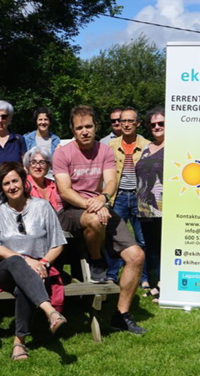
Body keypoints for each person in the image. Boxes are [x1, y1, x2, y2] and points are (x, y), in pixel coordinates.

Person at [53, 105, 146, 335]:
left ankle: (121, 315)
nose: (84, 131)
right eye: (79, 128)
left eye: (88, 126)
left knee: (136, 255)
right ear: (72, 130)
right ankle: (97, 261)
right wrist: (92, 205)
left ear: (96, 127)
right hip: (71, 211)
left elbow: (111, 181)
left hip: (101, 207)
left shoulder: (105, 151)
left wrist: (103, 198)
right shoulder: (62, 153)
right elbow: (64, 191)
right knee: (94, 221)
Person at [0, 162, 68, 360]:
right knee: (16, 263)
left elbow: (58, 243)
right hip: (4, 270)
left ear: (24, 181)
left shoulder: (42, 206)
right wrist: (27, 260)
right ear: (1, 188)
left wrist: (43, 263)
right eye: (6, 183)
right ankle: (50, 312)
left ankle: (18, 343)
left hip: (40, 268)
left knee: (25, 284)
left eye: (15, 181)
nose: (12, 186)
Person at [108, 107, 151, 288]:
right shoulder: (111, 145)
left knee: (142, 239)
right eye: (122, 121)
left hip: (139, 197)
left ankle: (143, 277)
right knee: (114, 239)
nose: (125, 124)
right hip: (118, 197)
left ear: (138, 123)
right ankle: (112, 274)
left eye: (130, 121)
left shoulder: (148, 145)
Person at [135, 107, 165, 301]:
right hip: (145, 207)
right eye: (152, 124)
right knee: (151, 248)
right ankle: (156, 283)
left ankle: (165, 284)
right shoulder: (147, 148)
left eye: (161, 123)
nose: (156, 127)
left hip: (165, 207)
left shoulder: (176, 147)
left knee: (165, 247)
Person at [24, 146, 62, 212]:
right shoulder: (24, 186)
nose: (38, 166)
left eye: (42, 162)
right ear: (28, 165)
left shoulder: (54, 185)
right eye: (33, 162)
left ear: (48, 165)